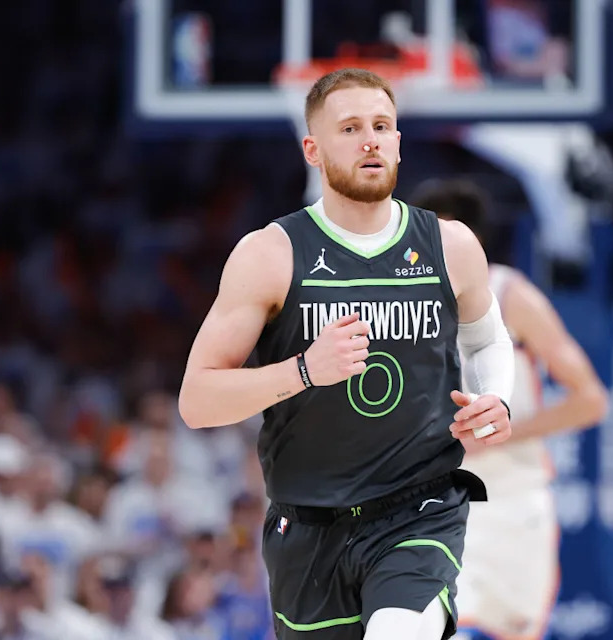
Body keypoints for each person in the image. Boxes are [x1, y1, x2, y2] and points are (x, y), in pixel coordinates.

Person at [179, 68, 516, 640]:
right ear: (312, 148)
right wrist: (305, 369)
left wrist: (497, 399)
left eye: (382, 126)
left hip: (418, 510)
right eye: (351, 127)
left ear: (399, 143)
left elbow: (486, 337)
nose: (370, 140)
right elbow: (197, 400)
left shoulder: (451, 246)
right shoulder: (270, 255)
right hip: (308, 528)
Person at [411, 178, 608, 640]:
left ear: (473, 241)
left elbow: (591, 400)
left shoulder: (512, 295)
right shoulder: (403, 302)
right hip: (432, 501)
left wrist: (500, 431)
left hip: (512, 501)